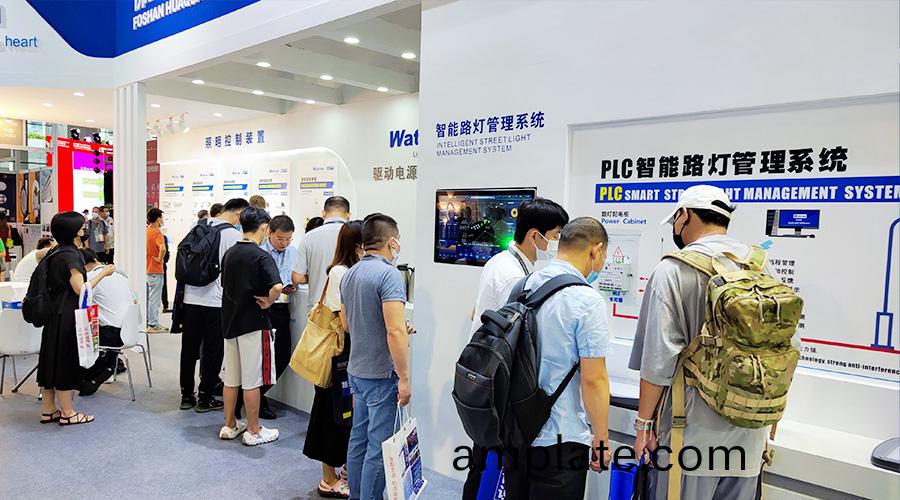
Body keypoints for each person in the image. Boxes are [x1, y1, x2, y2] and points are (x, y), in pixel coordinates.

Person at [630, 185, 772, 500]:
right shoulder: (760, 267)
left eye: (675, 220)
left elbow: (658, 361)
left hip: (690, 438)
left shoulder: (673, 269)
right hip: (750, 437)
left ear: (684, 215)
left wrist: (643, 427)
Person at [462, 197, 570, 498]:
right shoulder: (514, 276)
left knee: (482, 460)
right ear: (535, 235)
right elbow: (516, 335)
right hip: (498, 381)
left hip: (484, 373)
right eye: (556, 235)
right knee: (494, 467)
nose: (558, 242)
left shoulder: (499, 261)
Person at [502, 217, 612, 499]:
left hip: (517, 430)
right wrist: (601, 438)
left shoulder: (523, 285)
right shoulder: (587, 301)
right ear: (596, 250)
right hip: (562, 438)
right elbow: (594, 380)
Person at [341, 214, 413, 500]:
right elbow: (394, 331)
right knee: (378, 445)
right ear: (392, 241)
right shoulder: (389, 275)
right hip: (381, 375)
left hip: (356, 370)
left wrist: (395, 326)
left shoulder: (350, 273)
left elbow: (348, 324)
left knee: (358, 439)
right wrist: (404, 378)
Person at [37, 212, 115, 426]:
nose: (84, 228)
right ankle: (68, 412)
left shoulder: (55, 252)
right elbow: (81, 289)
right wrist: (103, 273)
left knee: (51, 361)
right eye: (81, 226)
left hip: (54, 315)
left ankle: (48, 410)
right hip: (68, 316)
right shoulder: (72, 255)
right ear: (72, 230)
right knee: (65, 361)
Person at [304, 220, 363, 499]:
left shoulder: (350, 270)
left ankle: (343, 473)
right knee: (331, 414)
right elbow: (346, 322)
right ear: (357, 245)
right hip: (337, 354)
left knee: (345, 415)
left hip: (346, 352)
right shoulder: (340, 272)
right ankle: (328, 478)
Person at [219, 207, 283, 446]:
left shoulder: (230, 253)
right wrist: (269, 300)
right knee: (252, 380)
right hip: (254, 324)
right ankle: (254, 430)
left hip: (230, 323)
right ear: (264, 228)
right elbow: (277, 287)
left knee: (231, 378)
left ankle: (229, 425)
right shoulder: (261, 256)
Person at [180, 197, 247, 412]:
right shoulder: (233, 235)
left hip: (190, 298)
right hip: (216, 302)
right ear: (238, 213)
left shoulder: (199, 226)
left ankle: (186, 396)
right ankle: (205, 397)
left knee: (189, 349)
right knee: (212, 351)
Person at [254, 215, 299, 420]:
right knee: (259, 357)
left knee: (282, 356)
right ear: (269, 232)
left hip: (282, 309)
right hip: (261, 308)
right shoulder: (259, 251)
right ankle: (257, 400)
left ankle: (255, 395)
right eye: (280, 239)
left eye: (288, 239)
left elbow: (299, 276)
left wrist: (294, 285)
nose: (284, 243)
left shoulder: (294, 252)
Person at [79, 248, 133, 395]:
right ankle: (107, 367)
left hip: (111, 335)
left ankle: (86, 375)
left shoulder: (91, 278)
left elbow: (81, 303)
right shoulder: (120, 276)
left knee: (71, 333)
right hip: (129, 331)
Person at [292, 196, 351, 312]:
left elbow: (297, 278)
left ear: (323, 214)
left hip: (318, 309)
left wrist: (315, 274)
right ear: (348, 215)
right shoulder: (355, 235)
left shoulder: (309, 237)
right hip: (348, 307)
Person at [146, 208, 167, 333]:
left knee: (149, 298)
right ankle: (153, 324)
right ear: (158, 218)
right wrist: (159, 258)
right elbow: (163, 248)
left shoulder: (145, 231)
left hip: (146, 269)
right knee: (155, 299)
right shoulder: (157, 233)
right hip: (155, 269)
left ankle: (149, 322)